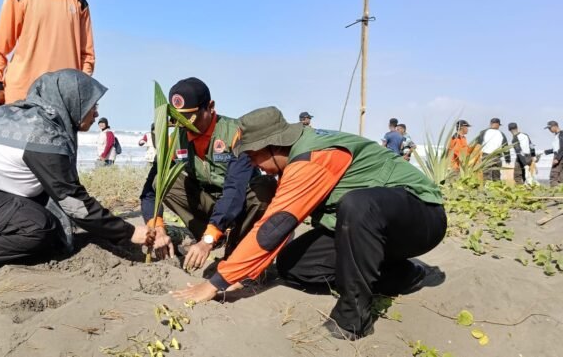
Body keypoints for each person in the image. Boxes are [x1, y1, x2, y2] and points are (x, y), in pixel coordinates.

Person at [171, 107, 446, 341]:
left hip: (421, 217)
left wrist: (217, 282)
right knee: (293, 265)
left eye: (254, 156)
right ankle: (402, 274)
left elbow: (275, 226)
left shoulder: (311, 158)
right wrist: (242, 271)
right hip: (369, 231)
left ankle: (353, 317)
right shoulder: (292, 156)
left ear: (274, 145)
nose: (255, 163)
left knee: (358, 204)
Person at [0, 70, 155, 279]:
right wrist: (131, 232)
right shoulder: (44, 135)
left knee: (39, 219)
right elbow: (74, 204)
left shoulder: (21, 115)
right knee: (39, 228)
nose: (95, 112)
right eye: (92, 104)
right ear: (72, 101)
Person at [141, 77, 277, 270]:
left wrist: (209, 238)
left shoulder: (236, 134)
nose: (184, 124)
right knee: (162, 181)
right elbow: (149, 192)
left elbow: (234, 190)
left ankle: (236, 245)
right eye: (177, 118)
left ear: (210, 106)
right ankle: (213, 238)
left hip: (242, 206)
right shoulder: (174, 140)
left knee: (265, 187)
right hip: (208, 205)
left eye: (190, 118)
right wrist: (158, 227)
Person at [475, 118, 511, 182]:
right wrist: (507, 158)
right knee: (496, 176)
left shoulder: (483, 132)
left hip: (486, 156)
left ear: (490, 124)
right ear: (498, 125)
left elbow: (478, 144)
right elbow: (505, 147)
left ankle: (486, 189)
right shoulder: (501, 134)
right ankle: (496, 189)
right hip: (496, 156)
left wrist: (476, 156)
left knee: (486, 174)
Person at [542, 121, 563, 187]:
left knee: (553, 176)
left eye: (550, 128)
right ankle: (560, 194)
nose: (549, 130)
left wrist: (557, 158)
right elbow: (557, 148)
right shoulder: (557, 135)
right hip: (560, 156)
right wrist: (545, 152)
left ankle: (554, 193)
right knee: (560, 177)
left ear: (555, 126)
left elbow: (562, 147)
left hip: (560, 157)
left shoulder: (561, 134)